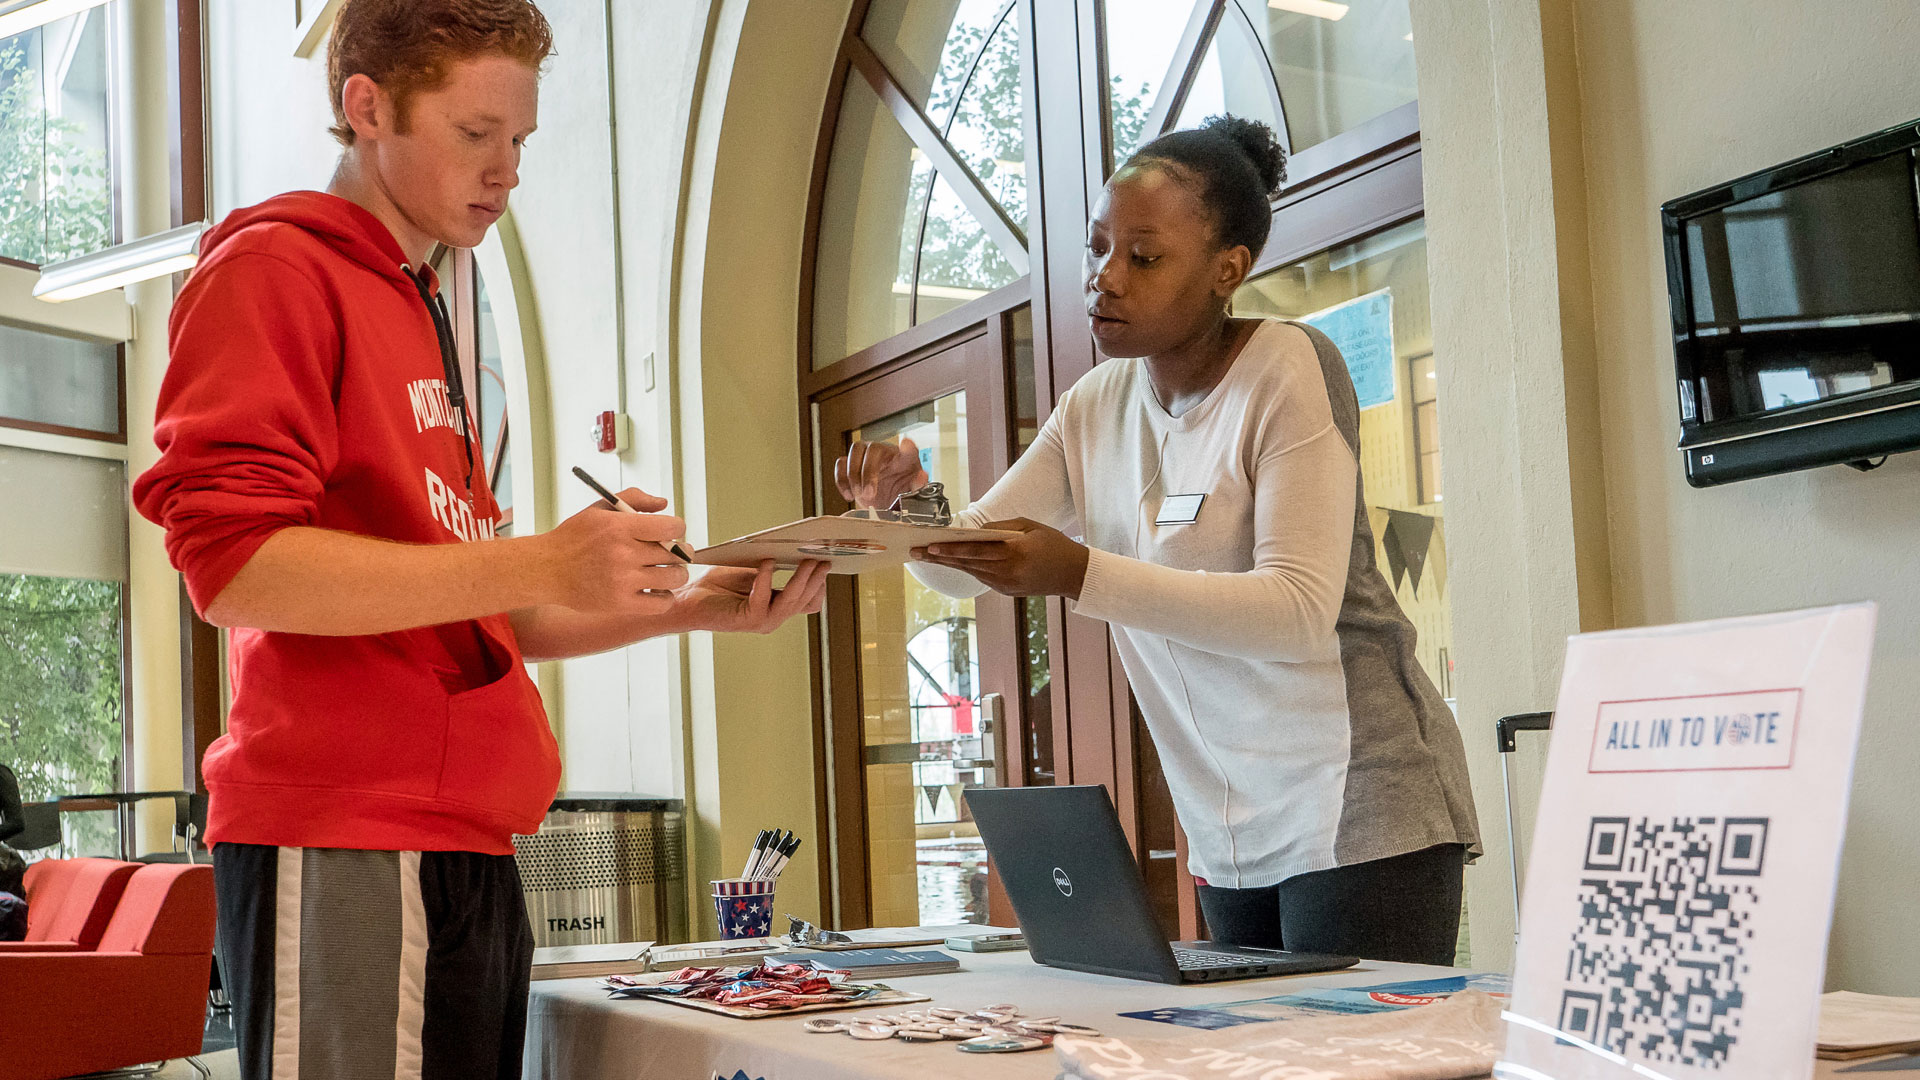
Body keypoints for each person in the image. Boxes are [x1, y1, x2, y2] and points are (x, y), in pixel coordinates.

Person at [133, 2, 825, 1077]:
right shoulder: (275, 270)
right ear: (366, 107)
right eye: (474, 134)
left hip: (467, 834)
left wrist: (681, 606)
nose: (506, 170)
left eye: (520, 141)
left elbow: (462, 610)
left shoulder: (421, 303)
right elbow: (234, 569)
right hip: (348, 828)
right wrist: (544, 555)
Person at [836, 116, 1479, 966]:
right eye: (1098, 249)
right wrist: (910, 508)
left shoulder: (1287, 367)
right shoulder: (1095, 406)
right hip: (1226, 821)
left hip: (1360, 800)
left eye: (1143, 257)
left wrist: (1080, 575)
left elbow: (1295, 612)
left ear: (1228, 271)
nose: (1106, 278)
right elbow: (968, 569)